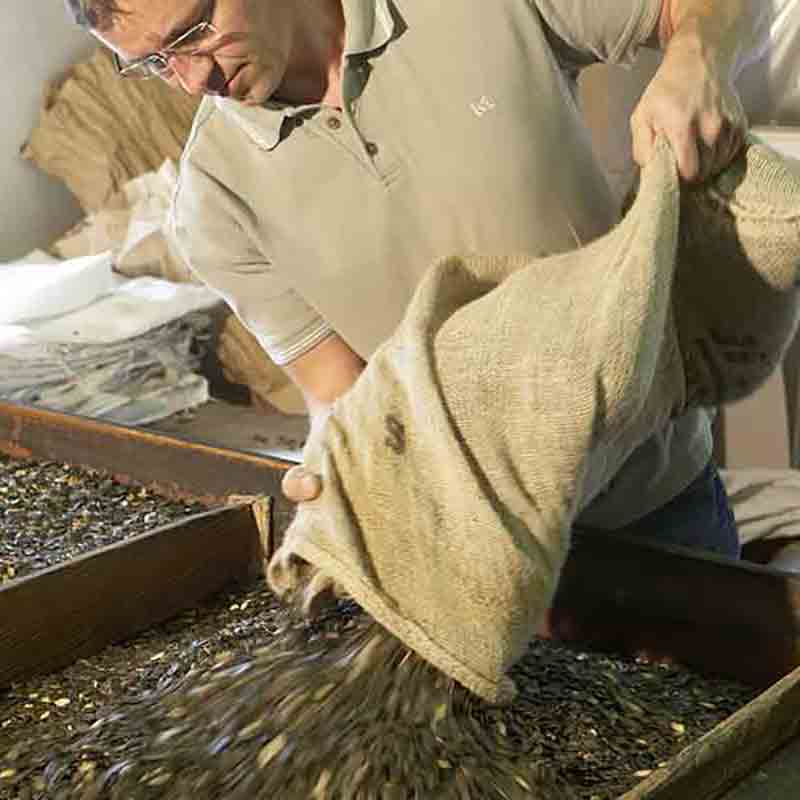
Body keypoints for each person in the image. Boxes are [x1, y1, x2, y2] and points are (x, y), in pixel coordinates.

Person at [65, 0, 764, 557]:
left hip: (659, 505)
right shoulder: (215, 203)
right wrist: (344, 485)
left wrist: (697, 60)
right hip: (489, 560)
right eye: (154, 64)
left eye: (191, 35)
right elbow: (342, 391)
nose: (193, 80)